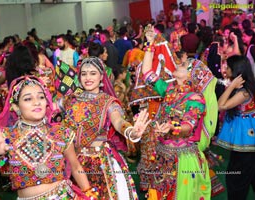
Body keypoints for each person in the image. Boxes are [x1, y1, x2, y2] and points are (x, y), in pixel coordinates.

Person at [0, 76, 97, 199]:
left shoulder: (61, 133)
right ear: (16, 107)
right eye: (28, 99)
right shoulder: (7, 137)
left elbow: (76, 167)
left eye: (41, 97)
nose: (37, 102)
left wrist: (89, 194)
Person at [137, 25, 218, 199]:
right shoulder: (168, 90)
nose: (179, 63)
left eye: (183, 65)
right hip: (162, 155)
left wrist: (172, 128)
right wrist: (150, 44)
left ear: (190, 76)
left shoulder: (195, 99)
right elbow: (147, 73)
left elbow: (188, 126)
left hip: (183, 160)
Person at [55, 57, 150, 199]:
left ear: (101, 76)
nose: (88, 77)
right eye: (84, 73)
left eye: (93, 73)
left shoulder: (108, 102)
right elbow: (49, 112)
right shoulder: (70, 100)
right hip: (72, 161)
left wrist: (131, 132)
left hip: (99, 163)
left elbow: (118, 121)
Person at [216, 55, 255, 200]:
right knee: (245, 175)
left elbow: (221, 106)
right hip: (246, 143)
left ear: (237, 71)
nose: (225, 69)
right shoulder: (247, 87)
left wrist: (231, 86)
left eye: (228, 67)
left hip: (245, 143)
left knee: (237, 178)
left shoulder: (243, 92)